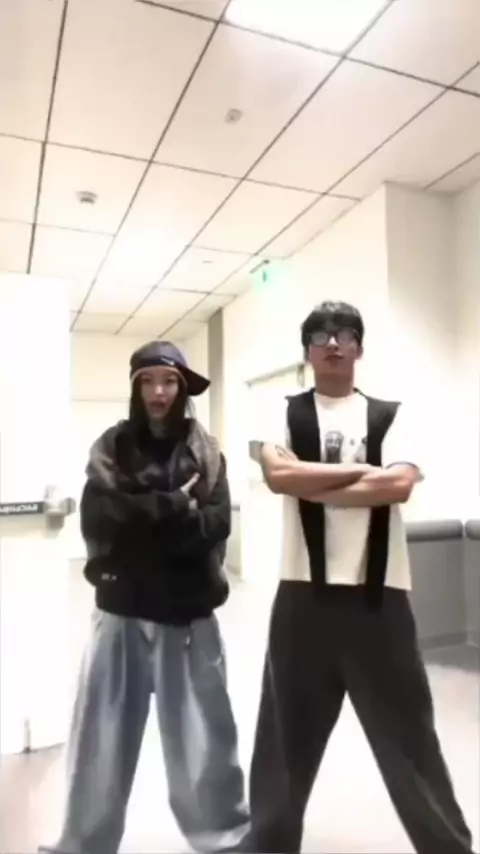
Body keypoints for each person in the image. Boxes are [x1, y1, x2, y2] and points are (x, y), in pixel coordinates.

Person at [246, 301, 473, 854]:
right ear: (307, 351)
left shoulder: (391, 415)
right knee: (283, 738)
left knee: (410, 737)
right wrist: (360, 472)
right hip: (301, 597)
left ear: (359, 348)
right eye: (321, 335)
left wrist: (313, 481)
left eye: (345, 334)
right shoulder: (282, 411)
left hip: (380, 601)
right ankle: (269, 845)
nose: (333, 343)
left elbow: (397, 487)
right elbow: (279, 477)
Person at [41, 341, 249, 854]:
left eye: (170, 381)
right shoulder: (111, 450)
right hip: (120, 614)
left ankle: (223, 838)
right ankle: (83, 844)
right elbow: (101, 519)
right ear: (135, 388)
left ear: (182, 388)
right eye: (149, 381)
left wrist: (142, 521)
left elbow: (215, 525)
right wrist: (175, 505)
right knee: (101, 739)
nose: (159, 392)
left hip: (189, 617)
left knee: (205, 740)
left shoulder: (207, 453)